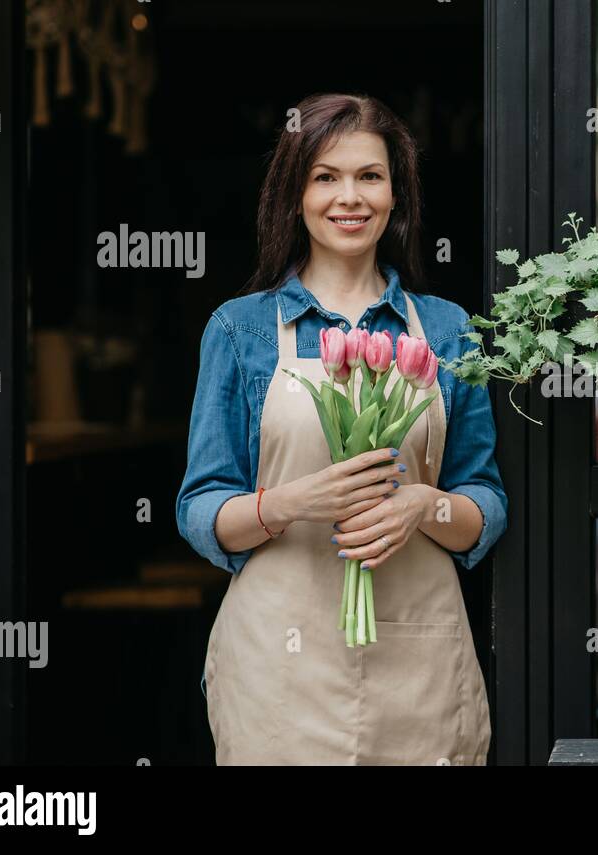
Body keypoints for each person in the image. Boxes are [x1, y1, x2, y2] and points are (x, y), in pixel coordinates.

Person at [175, 93, 506, 765]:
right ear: (295, 193)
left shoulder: (446, 331)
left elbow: (486, 501)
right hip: (280, 673)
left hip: (418, 664)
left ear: (395, 193)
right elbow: (201, 510)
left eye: (369, 176)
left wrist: (425, 505)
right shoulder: (239, 331)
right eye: (325, 177)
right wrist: (293, 502)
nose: (348, 197)